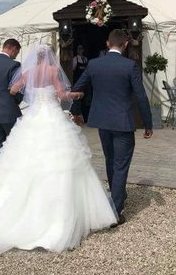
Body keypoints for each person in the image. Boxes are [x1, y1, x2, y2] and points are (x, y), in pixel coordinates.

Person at [0, 44, 117, 253]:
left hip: (33, 117)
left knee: (23, 161)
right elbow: (61, 93)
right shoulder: (53, 71)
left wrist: (30, 94)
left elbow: (12, 89)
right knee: (60, 163)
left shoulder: (28, 71)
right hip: (51, 118)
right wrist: (77, 96)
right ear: (50, 58)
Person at [71, 29, 153, 226]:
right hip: (123, 122)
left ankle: (118, 194)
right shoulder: (129, 66)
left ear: (108, 44)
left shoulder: (94, 64)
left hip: (102, 121)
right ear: (125, 44)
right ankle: (114, 212)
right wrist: (148, 124)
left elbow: (77, 89)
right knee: (121, 164)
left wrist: (76, 110)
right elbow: (141, 96)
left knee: (111, 159)